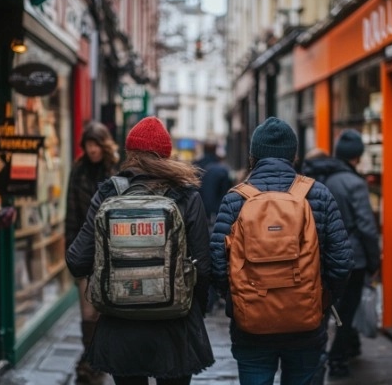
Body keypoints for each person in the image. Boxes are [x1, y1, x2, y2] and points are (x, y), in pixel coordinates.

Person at [66, 116, 214, 385]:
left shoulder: (108, 194)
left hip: (121, 326)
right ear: (166, 155)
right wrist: (195, 309)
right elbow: (204, 267)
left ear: (130, 153)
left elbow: (77, 260)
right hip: (175, 326)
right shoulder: (187, 195)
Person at [210, 117, 354, 385]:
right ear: (294, 155)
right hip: (306, 324)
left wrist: (235, 299)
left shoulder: (235, 198)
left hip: (251, 325)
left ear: (253, 156)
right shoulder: (318, 194)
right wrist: (322, 299)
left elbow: (217, 265)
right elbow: (342, 263)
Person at [301, 129, 381, 378]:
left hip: (318, 254)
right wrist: (374, 260)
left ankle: (317, 357)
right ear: (357, 156)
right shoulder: (354, 183)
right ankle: (337, 359)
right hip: (352, 258)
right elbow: (367, 227)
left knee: (322, 309)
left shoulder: (318, 177)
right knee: (346, 311)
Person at [66, 121, 119, 385]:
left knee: (104, 310)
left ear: (104, 144)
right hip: (86, 249)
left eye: (96, 144)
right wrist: (72, 254)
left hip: (111, 252)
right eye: (88, 145)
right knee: (87, 312)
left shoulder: (115, 169)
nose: (92, 150)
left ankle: (102, 354)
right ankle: (91, 357)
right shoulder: (78, 171)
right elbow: (71, 214)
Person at [193, 141, 232, 313]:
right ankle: (214, 296)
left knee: (199, 256)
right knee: (216, 253)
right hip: (217, 218)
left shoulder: (195, 168)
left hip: (197, 216)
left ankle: (205, 298)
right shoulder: (221, 170)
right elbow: (227, 195)